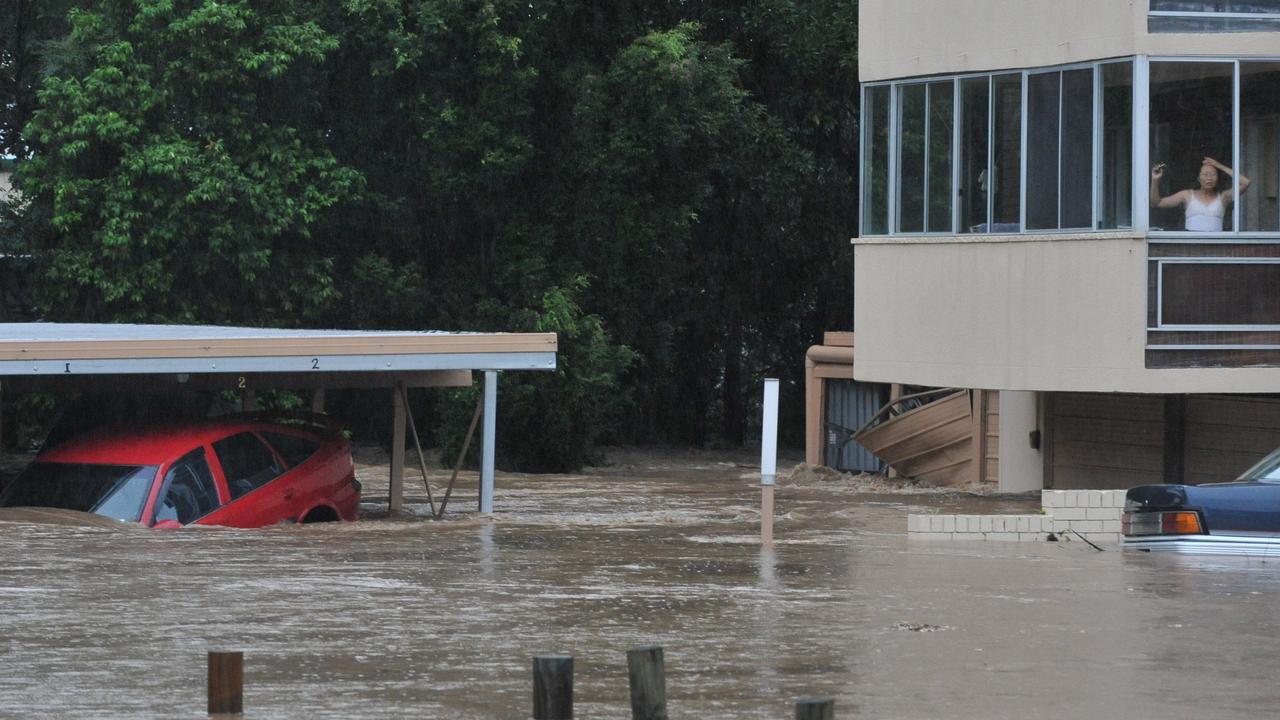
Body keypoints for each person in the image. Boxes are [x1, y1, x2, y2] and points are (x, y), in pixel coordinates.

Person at [1150, 157, 1250, 231]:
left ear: (1218, 178)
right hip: (1192, 247)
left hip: (1217, 246)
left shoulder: (1223, 197)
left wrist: (1219, 165)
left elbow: (1245, 182)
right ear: (1198, 178)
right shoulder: (1187, 195)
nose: (1209, 178)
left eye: (1213, 174)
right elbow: (1156, 203)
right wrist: (1155, 180)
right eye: (1205, 174)